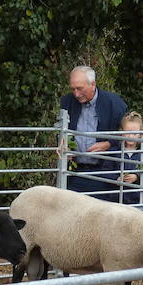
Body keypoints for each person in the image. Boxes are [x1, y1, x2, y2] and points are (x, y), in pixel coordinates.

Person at [58, 65, 129, 199]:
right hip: (74, 173)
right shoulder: (67, 101)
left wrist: (108, 144)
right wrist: (63, 142)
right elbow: (62, 129)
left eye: (80, 88)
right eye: (72, 89)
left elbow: (129, 135)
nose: (76, 94)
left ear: (93, 84)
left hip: (105, 173)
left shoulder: (114, 104)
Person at [113, 111, 143, 209]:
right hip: (117, 200)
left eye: (134, 133)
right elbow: (106, 170)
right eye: (127, 132)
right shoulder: (114, 152)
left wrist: (137, 177)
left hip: (139, 201)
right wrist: (115, 178)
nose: (130, 136)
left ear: (140, 133)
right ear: (121, 132)